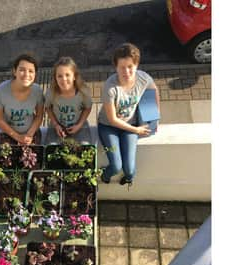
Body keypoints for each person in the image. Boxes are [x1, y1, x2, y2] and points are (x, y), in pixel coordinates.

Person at [97, 43, 160, 187]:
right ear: (116, 67)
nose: (126, 72)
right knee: (115, 166)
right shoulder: (110, 87)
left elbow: (154, 90)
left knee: (130, 171)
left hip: (130, 124)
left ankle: (127, 179)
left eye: (130, 66)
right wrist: (137, 130)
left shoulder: (143, 78)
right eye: (122, 67)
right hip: (108, 127)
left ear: (136, 65)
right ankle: (103, 177)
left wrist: (156, 116)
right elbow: (112, 120)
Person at [0, 53, 44, 145]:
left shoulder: (37, 90)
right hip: (7, 133)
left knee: (35, 157)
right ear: (14, 71)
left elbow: (39, 116)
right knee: (6, 157)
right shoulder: (1, 90)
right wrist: (18, 137)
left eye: (31, 71)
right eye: (22, 70)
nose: (26, 74)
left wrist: (29, 134)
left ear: (35, 74)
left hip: (31, 132)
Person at [44, 57, 93, 144]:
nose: (64, 79)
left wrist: (79, 125)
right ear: (55, 78)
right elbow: (48, 108)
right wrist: (56, 125)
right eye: (59, 76)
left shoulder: (83, 92)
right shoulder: (51, 93)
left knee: (85, 146)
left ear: (74, 76)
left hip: (79, 124)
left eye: (67, 75)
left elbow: (87, 108)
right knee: (51, 147)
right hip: (58, 125)